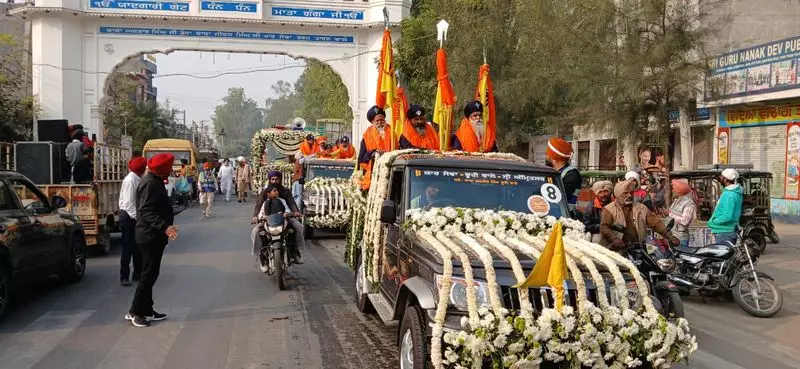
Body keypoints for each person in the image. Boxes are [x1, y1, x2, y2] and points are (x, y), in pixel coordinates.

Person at [125, 153, 177, 328]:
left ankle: (147, 309)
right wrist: (165, 226)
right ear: (164, 169)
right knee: (147, 275)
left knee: (152, 274)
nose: (171, 170)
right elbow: (146, 211)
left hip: (154, 236)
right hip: (149, 236)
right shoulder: (150, 184)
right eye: (169, 167)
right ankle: (135, 311)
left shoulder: (154, 181)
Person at [599, 180, 680, 251]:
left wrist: (670, 236)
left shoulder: (641, 208)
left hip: (638, 247)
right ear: (618, 194)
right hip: (616, 248)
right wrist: (614, 239)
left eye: (631, 192)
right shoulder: (609, 209)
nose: (629, 195)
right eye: (625, 193)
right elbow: (604, 227)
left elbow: (656, 223)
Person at [252, 171, 305, 264]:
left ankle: (296, 252)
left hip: (284, 218)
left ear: (280, 179)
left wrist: (295, 212)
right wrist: (256, 216)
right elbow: (259, 205)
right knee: (256, 231)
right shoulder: (265, 192)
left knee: (298, 226)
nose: (274, 181)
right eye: (272, 179)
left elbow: (291, 203)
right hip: (267, 220)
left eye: (276, 179)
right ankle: (262, 255)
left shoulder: (285, 192)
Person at [118, 156, 146, 287]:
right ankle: (124, 276)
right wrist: (137, 218)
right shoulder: (130, 180)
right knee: (128, 247)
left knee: (137, 246)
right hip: (128, 216)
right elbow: (129, 204)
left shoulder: (137, 179)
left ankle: (137, 273)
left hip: (133, 215)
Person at [358, 105, 393, 190]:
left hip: (391, 173)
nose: (380, 123)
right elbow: (362, 160)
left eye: (382, 120)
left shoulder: (392, 134)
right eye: (377, 121)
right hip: (373, 175)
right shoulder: (366, 137)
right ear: (372, 122)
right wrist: (374, 152)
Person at [708, 168, 743, 245]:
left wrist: (712, 222)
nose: (720, 178)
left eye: (721, 176)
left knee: (723, 256)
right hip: (727, 230)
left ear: (726, 179)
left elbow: (727, 216)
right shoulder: (733, 192)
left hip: (724, 232)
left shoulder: (729, 195)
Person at [545, 137, 581, 213]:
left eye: (547, 154)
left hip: (566, 215)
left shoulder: (572, 175)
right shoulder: (552, 172)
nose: (546, 157)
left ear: (554, 158)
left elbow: (560, 197)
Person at [668, 179, 697, 247]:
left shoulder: (689, 203)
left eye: (673, 189)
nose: (672, 190)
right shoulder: (676, 201)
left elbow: (685, 221)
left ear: (678, 191)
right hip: (673, 236)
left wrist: (669, 213)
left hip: (680, 238)